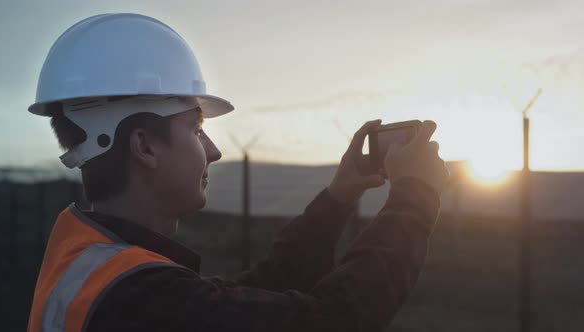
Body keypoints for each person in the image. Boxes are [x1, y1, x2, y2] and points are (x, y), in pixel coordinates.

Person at [27, 13, 448, 332]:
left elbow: (252, 296)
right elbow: (329, 320)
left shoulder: (96, 264)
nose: (213, 151)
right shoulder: (140, 297)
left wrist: (338, 199)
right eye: (195, 129)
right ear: (144, 146)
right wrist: (415, 196)